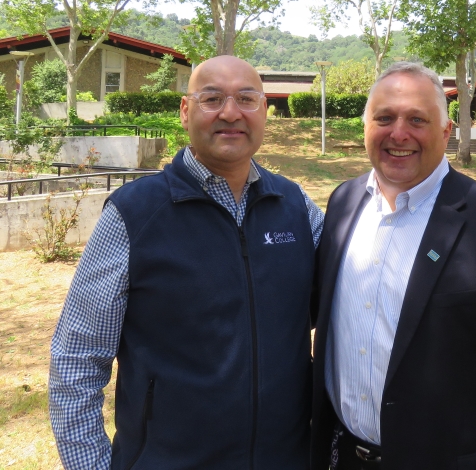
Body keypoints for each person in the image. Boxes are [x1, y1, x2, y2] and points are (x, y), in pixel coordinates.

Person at [49, 56, 323, 470]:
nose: (231, 113)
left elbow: (353, 299)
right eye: (212, 98)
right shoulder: (134, 214)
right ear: (185, 111)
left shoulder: (296, 207)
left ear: (264, 112)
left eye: (247, 99)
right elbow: (78, 356)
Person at [310, 62, 476, 470]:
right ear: (364, 128)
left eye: (417, 119)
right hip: (343, 456)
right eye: (384, 118)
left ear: (446, 133)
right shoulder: (343, 203)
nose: (399, 133)